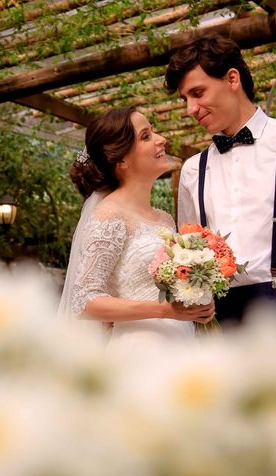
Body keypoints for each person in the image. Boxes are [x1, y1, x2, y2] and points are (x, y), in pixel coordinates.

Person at [58, 107, 214, 352]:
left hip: (181, 344)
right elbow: (84, 300)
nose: (161, 139)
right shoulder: (109, 215)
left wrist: (197, 302)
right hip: (139, 349)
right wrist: (164, 310)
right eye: (146, 136)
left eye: (153, 132)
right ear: (121, 159)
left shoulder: (164, 219)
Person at [165, 33, 276, 327]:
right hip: (220, 320)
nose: (190, 109)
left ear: (232, 79)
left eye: (198, 93)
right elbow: (188, 251)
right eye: (184, 99)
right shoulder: (192, 170)